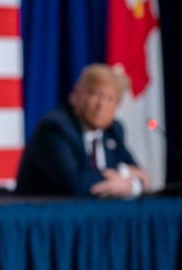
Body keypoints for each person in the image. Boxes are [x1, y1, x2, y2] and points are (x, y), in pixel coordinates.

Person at [15, 63, 152, 197]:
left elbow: (142, 177)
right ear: (76, 95)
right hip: (45, 216)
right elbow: (77, 185)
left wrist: (132, 186)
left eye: (110, 99)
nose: (101, 105)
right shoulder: (55, 128)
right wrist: (124, 174)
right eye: (95, 94)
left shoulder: (113, 131)